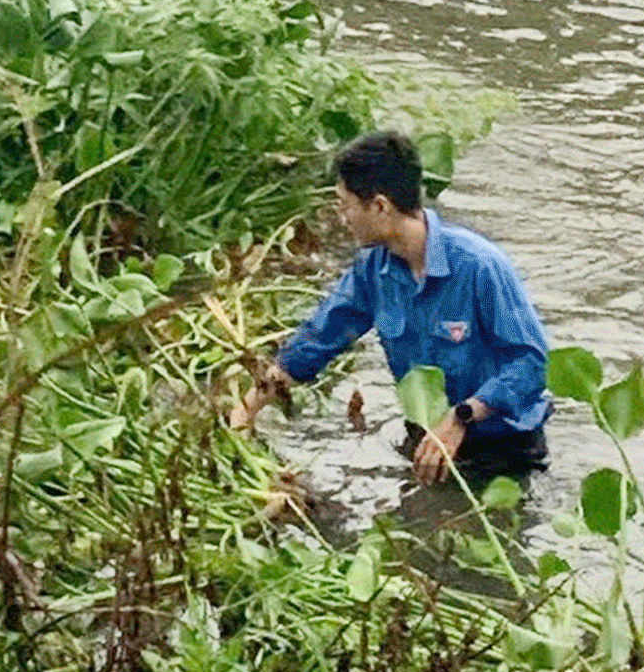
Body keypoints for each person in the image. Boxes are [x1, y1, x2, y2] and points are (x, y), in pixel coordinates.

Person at [234, 130, 551, 483]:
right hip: (425, 443)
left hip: (502, 450)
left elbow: (532, 364)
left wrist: (462, 416)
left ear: (380, 207)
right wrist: (246, 411)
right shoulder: (373, 269)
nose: (342, 218)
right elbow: (318, 339)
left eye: (345, 205)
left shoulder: (479, 266)